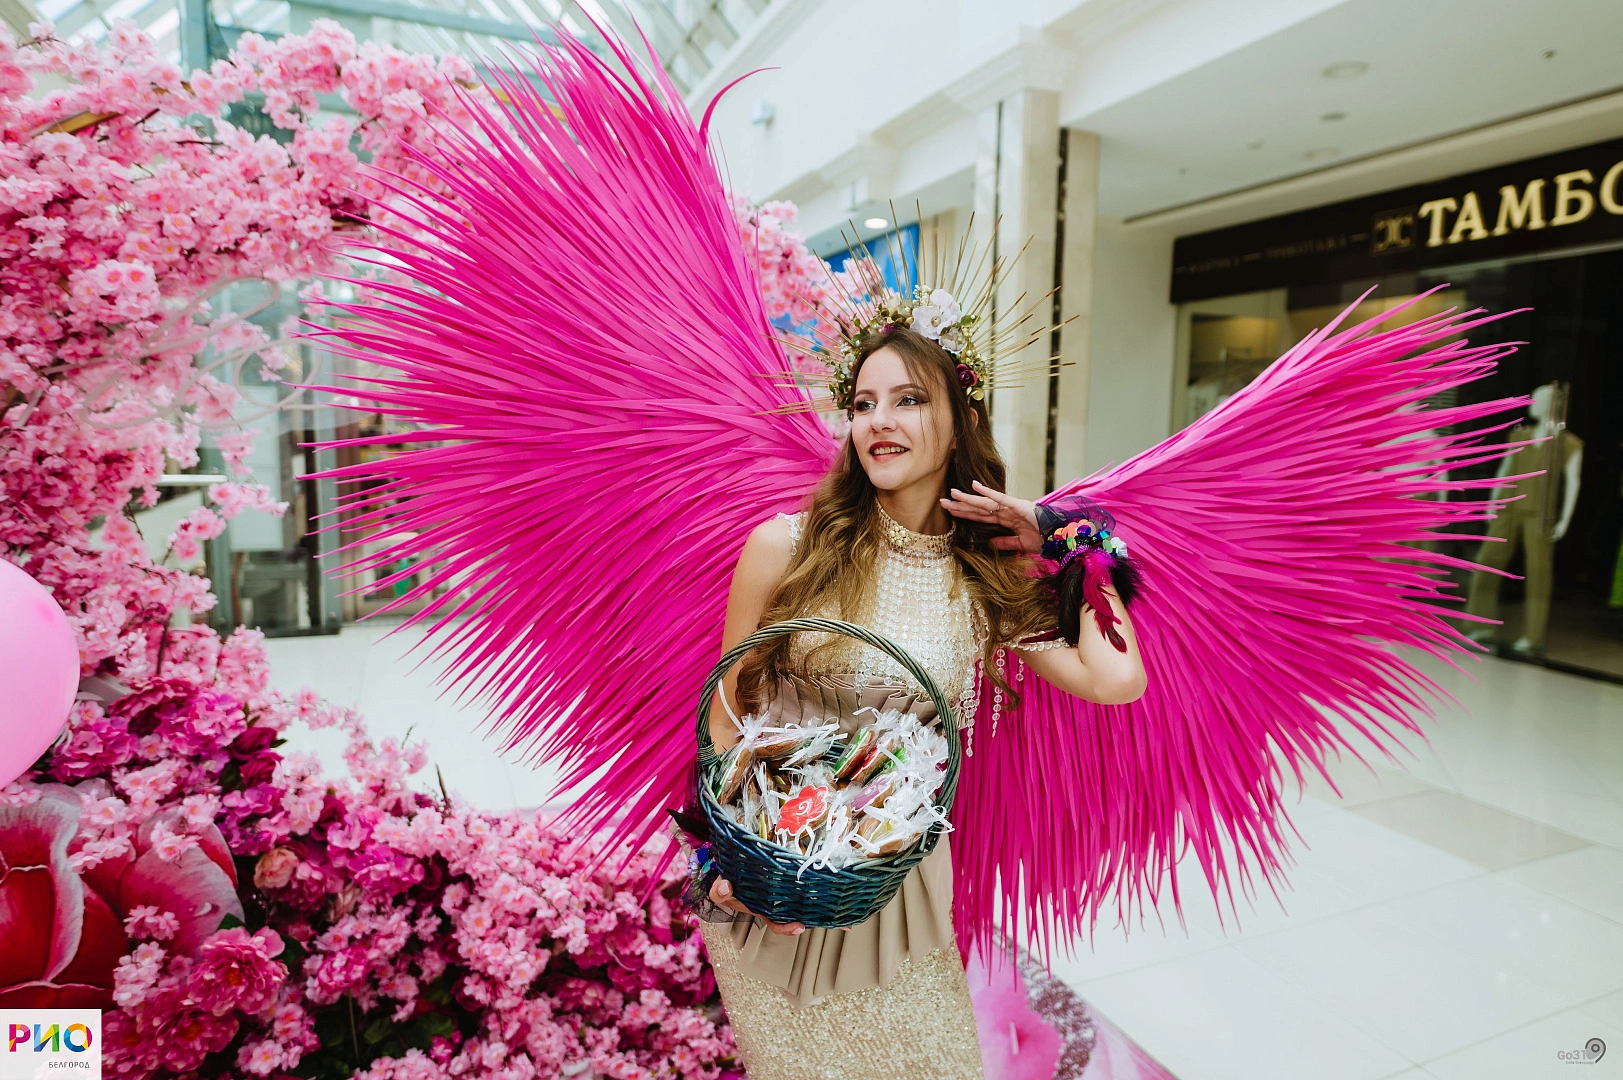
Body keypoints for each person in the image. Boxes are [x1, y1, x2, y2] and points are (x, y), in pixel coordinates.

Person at [688, 326, 1144, 1075]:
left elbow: (1116, 678)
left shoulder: (984, 582)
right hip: (779, 887)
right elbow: (724, 716)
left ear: (961, 422)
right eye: (864, 403)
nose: (879, 421)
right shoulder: (786, 547)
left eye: (908, 400)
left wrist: (1064, 536)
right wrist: (730, 862)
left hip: (899, 891)